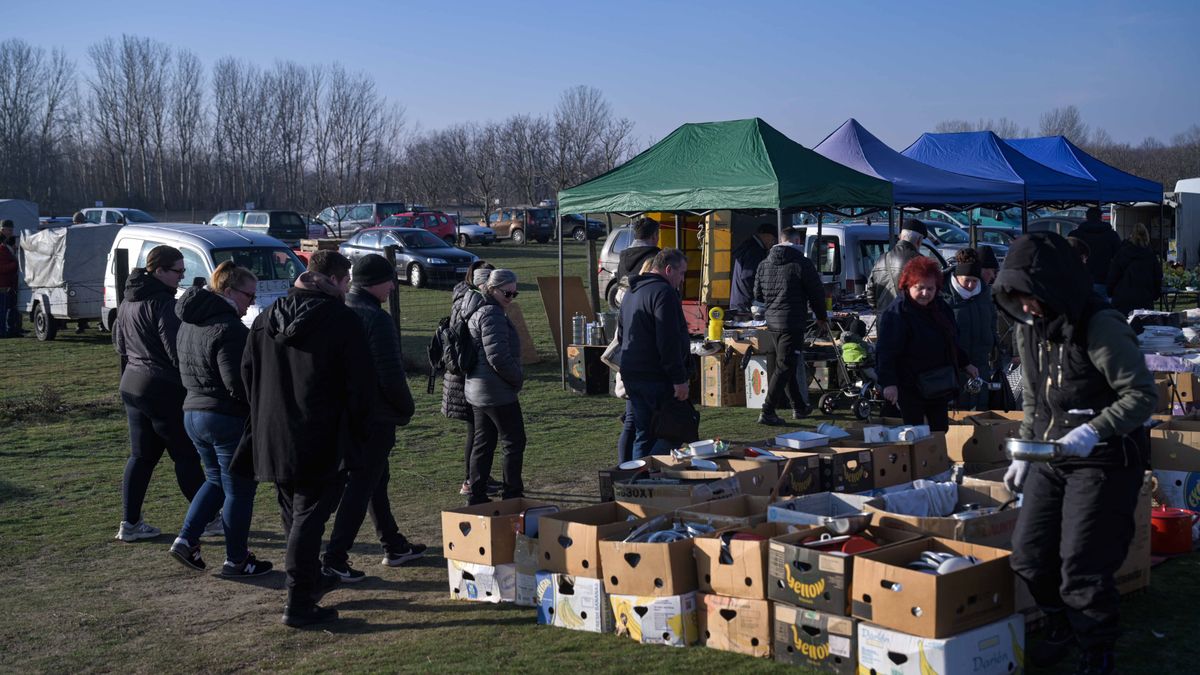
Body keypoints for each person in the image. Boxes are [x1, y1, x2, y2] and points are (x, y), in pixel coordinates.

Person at [994, 231, 1156, 674]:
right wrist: (1024, 454)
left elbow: (1141, 396)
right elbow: (1033, 399)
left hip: (1105, 456)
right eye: (1015, 297)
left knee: (1081, 565)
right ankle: (1060, 626)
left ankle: (1096, 650)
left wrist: (1094, 430)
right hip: (1051, 453)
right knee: (1028, 556)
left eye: (1028, 295)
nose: (1024, 306)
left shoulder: (1100, 325)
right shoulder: (1028, 329)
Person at [235, 250, 374, 628]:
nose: (348, 289)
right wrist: (360, 430)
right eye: (346, 281)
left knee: (296, 518)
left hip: (273, 434)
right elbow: (360, 385)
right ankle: (298, 601)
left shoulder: (264, 318)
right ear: (334, 279)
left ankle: (307, 587)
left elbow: (246, 377)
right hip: (320, 435)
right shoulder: (342, 320)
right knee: (308, 520)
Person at [322, 254, 425, 581]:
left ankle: (393, 544)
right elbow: (389, 375)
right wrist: (405, 408)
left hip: (347, 413)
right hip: (374, 417)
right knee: (361, 485)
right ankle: (335, 557)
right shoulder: (374, 319)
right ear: (372, 283)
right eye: (388, 280)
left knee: (375, 481)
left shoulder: (341, 309)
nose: (393, 285)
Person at [169, 262, 272, 576]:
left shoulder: (189, 323)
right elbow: (237, 384)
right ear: (228, 291)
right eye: (248, 295)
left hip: (193, 413)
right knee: (239, 490)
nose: (250, 303)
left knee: (215, 480)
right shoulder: (229, 329)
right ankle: (237, 559)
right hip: (225, 418)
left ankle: (186, 539)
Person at [112, 245, 206, 542]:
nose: (182, 278)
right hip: (163, 387)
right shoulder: (162, 303)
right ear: (160, 271)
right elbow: (176, 349)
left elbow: (119, 344)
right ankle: (210, 517)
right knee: (186, 456)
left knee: (142, 456)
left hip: (133, 383)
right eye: (178, 271)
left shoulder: (128, 301)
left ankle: (130, 523)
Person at [876, 256, 979, 432]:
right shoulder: (897, 312)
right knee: (913, 432)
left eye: (930, 289)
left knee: (940, 429)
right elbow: (886, 351)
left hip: (938, 384)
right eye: (920, 288)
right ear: (908, 285)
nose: (925, 293)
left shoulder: (940, 308)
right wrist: (889, 383)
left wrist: (965, 363)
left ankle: (936, 459)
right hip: (910, 386)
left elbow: (951, 340)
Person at [616, 249, 690, 459]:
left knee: (644, 433)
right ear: (669, 269)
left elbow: (622, 335)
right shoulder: (664, 293)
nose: (682, 279)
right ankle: (644, 475)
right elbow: (668, 340)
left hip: (632, 372)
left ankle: (635, 479)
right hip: (655, 376)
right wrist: (679, 379)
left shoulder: (631, 292)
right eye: (682, 273)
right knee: (671, 430)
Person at [752, 227, 827, 425]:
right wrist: (821, 317)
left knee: (787, 364)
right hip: (792, 320)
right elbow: (816, 293)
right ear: (796, 240)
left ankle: (799, 407)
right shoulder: (801, 262)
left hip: (772, 321)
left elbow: (757, 294)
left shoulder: (764, 263)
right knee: (785, 366)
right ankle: (768, 410)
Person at [465, 269, 528, 504]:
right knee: (514, 441)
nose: (511, 297)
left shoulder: (480, 309)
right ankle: (512, 493)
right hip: (496, 391)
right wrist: (517, 378)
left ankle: (477, 494)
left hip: (478, 389)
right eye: (507, 292)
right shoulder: (492, 313)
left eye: (515, 293)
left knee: (484, 442)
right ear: (491, 289)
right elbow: (498, 357)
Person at [443, 261, 500, 496]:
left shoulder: (463, 298)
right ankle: (472, 480)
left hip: (459, 373)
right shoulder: (475, 301)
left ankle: (478, 476)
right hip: (466, 374)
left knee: (477, 431)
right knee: (478, 432)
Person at [947, 248, 996, 411]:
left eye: (974, 281)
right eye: (966, 280)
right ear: (957, 277)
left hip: (981, 364)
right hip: (955, 367)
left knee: (981, 409)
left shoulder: (984, 294)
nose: (970, 285)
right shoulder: (946, 298)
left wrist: (994, 346)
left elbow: (991, 322)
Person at [866, 219, 927, 310]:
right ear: (919, 240)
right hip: (907, 320)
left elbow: (870, 293)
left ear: (900, 236)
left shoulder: (882, 259)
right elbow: (925, 295)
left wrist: (880, 312)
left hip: (884, 319)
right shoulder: (920, 261)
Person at [1106, 224, 1161, 315]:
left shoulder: (1122, 253)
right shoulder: (1150, 256)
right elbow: (1157, 277)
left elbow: (1113, 275)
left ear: (1131, 236)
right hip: (1144, 299)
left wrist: (1110, 292)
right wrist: (1155, 294)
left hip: (1122, 298)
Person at [1067, 206, 1121, 298]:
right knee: (1104, 308)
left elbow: (1068, 258)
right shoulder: (1112, 235)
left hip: (1082, 279)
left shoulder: (1075, 235)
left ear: (1086, 217)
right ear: (1101, 217)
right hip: (1104, 279)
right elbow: (1118, 257)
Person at [612, 217, 661, 307]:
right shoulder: (657, 258)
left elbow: (621, 286)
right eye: (658, 235)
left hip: (626, 310)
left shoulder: (623, 258)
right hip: (647, 311)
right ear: (654, 236)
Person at [729, 223, 777, 313]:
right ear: (766, 235)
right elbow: (748, 276)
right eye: (773, 239)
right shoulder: (755, 251)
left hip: (739, 301)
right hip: (746, 305)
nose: (772, 243)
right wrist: (757, 298)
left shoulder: (748, 245)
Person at [0, 220, 19, 338]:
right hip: (2, 283)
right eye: (8, 230)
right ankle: (2, 332)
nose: (11, 232)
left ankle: (10, 330)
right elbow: (2, 268)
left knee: (10, 308)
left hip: (9, 283)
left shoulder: (8, 244)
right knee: (2, 310)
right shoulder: (2, 248)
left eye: (11, 230)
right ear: (2, 230)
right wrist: (16, 264)